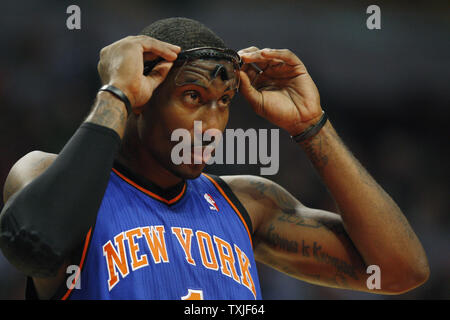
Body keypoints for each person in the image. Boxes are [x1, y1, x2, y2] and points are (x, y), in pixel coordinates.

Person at [0, 17, 429, 300]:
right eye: (193, 97)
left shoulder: (248, 204)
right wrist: (116, 94)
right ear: (144, 94)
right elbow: (35, 245)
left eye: (224, 102)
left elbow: (400, 270)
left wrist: (311, 124)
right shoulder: (42, 171)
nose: (211, 124)